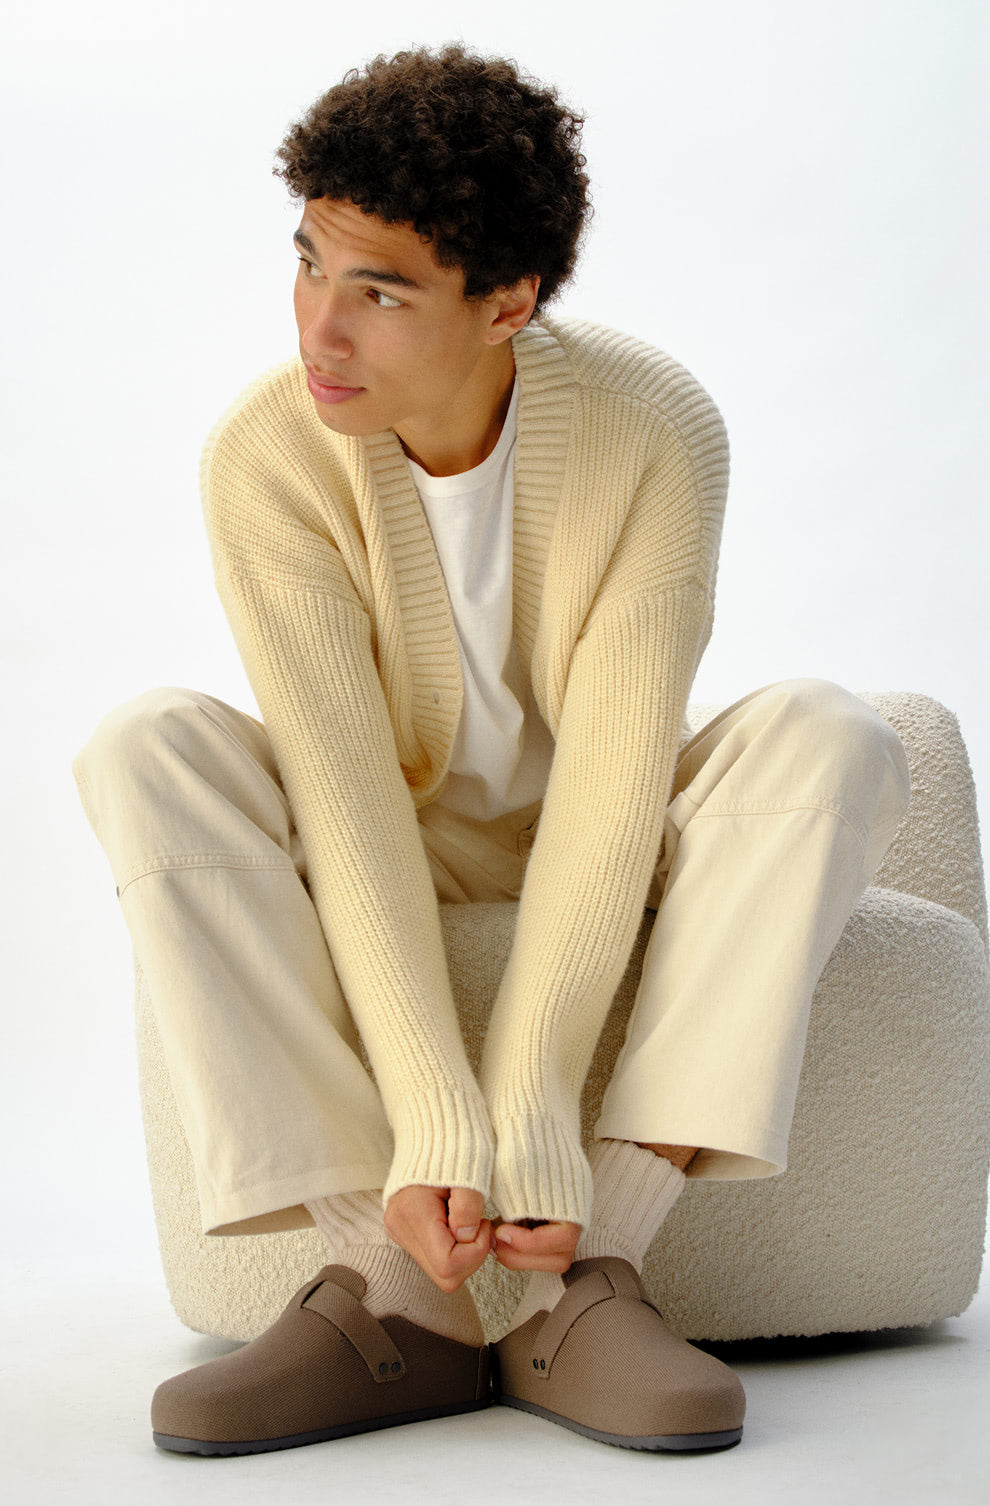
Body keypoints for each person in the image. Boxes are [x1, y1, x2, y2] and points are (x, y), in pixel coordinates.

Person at [73, 43, 911, 1457]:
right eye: (307, 264)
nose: (318, 329)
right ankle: (391, 1292)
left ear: (508, 301)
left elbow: (615, 784)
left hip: (617, 841)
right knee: (144, 746)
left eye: (381, 292)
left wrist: (528, 1114)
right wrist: (436, 1124)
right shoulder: (264, 456)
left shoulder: (655, 428)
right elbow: (343, 801)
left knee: (833, 735)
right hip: (381, 846)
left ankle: (586, 1278)